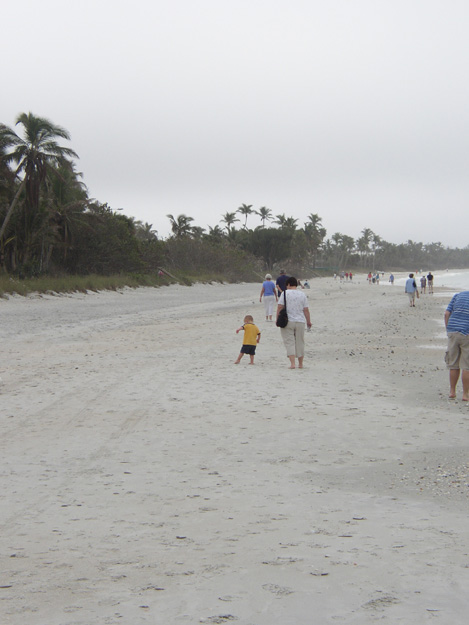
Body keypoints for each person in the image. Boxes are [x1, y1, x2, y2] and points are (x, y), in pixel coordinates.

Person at [276, 277, 312, 369]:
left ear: (288, 284)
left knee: (289, 342)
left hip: (288, 321)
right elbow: (306, 310)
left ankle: (292, 364)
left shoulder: (285, 294)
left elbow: (280, 307)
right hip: (300, 321)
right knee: (300, 342)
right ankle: (300, 364)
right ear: (296, 284)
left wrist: (277, 319)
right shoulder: (302, 294)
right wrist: (308, 321)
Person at [444, 290, 469, 401]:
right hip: (467, 332)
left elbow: (446, 313)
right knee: (466, 366)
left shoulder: (458, 295)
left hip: (453, 331)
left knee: (453, 364)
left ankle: (452, 391)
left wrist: (448, 329)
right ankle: (465, 394)